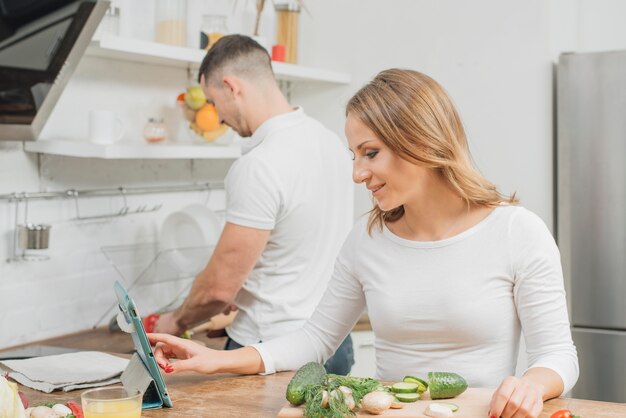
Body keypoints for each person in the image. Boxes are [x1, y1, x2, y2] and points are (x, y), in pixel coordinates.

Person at [149, 69, 579, 418]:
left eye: (369, 153)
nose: (357, 173)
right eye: (353, 155)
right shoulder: (367, 240)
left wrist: (530, 386)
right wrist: (213, 359)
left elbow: (558, 355)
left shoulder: (515, 231)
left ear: (420, 141)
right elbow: (315, 340)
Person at [153, 35, 355, 375]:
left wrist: (176, 320)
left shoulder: (259, 165)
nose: (217, 118)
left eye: (214, 102)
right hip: (334, 341)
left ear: (232, 87)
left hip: (272, 349)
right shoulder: (330, 142)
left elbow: (219, 287)